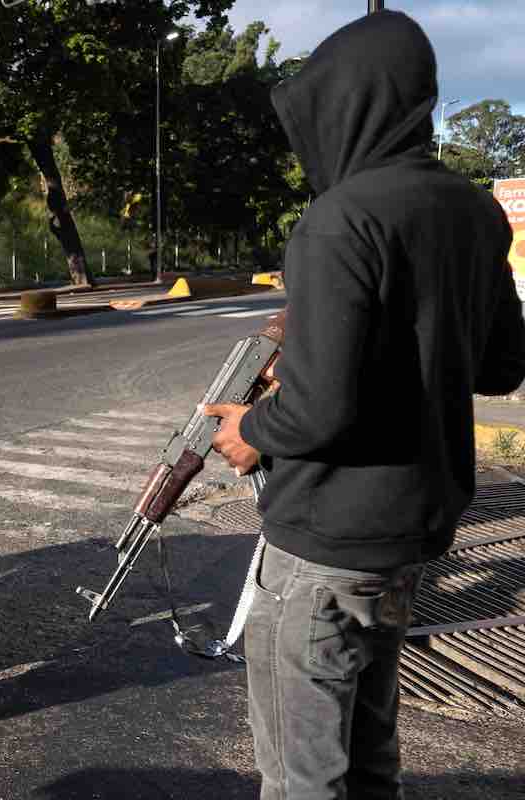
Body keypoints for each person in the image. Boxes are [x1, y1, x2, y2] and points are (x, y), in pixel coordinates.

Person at [202, 11, 525, 799]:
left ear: (347, 104)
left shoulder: (338, 220)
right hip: (410, 535)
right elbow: (503, 367)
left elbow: (318, 412)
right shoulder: (473, 211)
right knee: (371, 758)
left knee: (302, 779)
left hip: (323, 543)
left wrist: (252, 430)